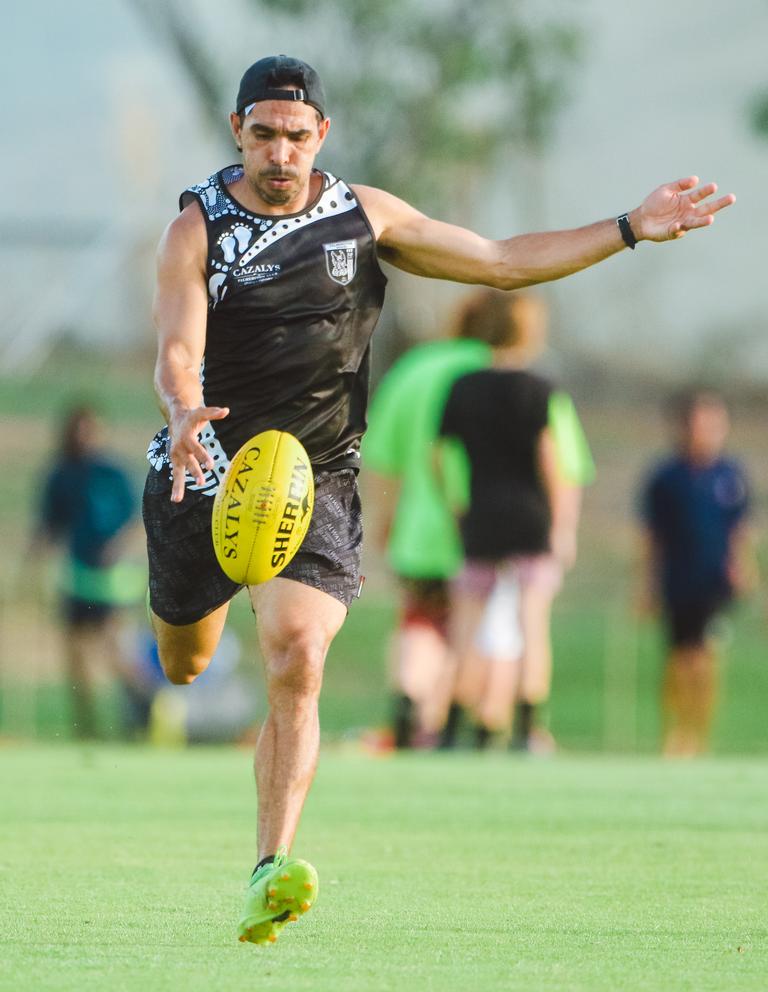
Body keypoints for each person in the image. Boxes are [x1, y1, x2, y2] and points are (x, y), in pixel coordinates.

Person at [142, 52, 734, 945]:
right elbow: (177, 347)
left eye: (296, 136)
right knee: (185, 662)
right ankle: (194, 634)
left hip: (315, 479)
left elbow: (499, 262)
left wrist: (627, 227)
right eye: (262, 134)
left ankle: (269, 868)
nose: (279, 153)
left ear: (321, 136)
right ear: (237, 132)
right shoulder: (197, 228)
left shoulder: (362, 216)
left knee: (298, 653)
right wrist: (184, 409)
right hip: (204, 464)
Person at [436, 290, 595, 751]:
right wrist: (562, 526)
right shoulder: (539, 389)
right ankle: (528, 727)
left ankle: (453, 724)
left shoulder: (462, 386)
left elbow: (440, 456)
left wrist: (457, 505)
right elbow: (552, 463)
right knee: (531, 622)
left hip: (482, 516)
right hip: (530, 519)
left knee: (467, 622)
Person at [363, 296, 491, 749]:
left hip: (417, 531)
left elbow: (383, 454)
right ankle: (447, 721)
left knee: (419, 621)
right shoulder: (504, 370)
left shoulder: (416, 369)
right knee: (472, 626)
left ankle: (409, 697)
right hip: (485, 528)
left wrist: (386, 517)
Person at [637, 390, 756, 757]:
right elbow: (651, 537)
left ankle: (699, 733)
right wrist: (646, 583)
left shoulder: (730, 475)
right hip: (677, 577)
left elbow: (740, 530)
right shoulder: (665, 477)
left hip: (713, 581)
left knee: (704, 657)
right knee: (677, 659)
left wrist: (744, 567)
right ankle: (675, 734)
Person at [32, 404, 147, 738]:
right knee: (76, 658)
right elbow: (49, 524)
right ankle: (87, 729)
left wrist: (119, 548)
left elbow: (137, 519)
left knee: (117, 651)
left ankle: (141, 714)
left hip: (114, 582)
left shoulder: (114, 474)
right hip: (78, 578)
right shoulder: (61, 474)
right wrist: (34, 559)